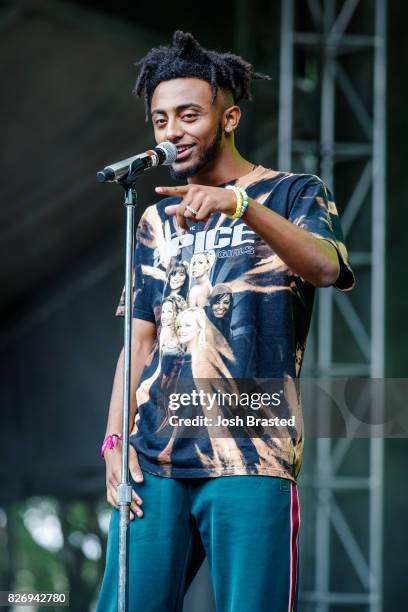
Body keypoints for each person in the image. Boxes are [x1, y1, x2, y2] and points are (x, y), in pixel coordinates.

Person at [96, 30, 355, 612]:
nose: (172, 132)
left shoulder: (291, 193)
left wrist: (240, 205)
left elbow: (325, 267)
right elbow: (138, 340)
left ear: (229, 116)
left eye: (188, 115)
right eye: (160, 120)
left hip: (251, 450)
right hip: (153, 457)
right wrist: (115, 439)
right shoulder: (155, 219)